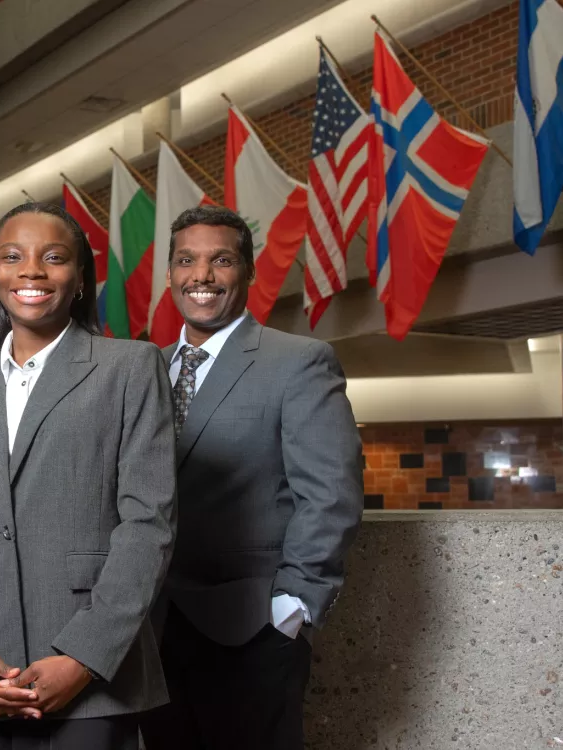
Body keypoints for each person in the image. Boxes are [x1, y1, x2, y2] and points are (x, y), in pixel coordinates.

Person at [0, 202, 177, 750]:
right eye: (12, 257)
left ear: (78, 280)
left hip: (92, 676)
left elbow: (148, 527)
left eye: (53, 257)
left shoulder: (131, 367)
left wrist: (84, 656)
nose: (31, 270)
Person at [139, 206, 364, 750]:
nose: (203, 276)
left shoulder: (299, 362)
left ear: (248, 271)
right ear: (169, 274)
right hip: (151, 629)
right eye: (187, 261)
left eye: (221, 260)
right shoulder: (143, 368)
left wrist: (293, 609)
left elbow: (331, 493)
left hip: (251, 629)